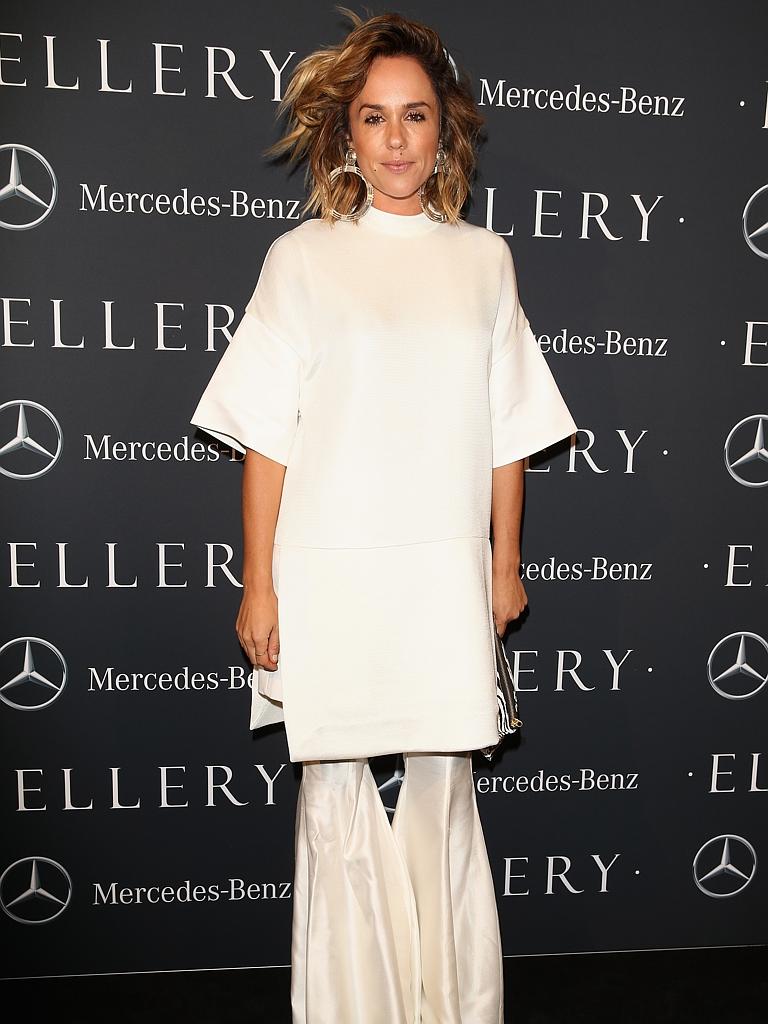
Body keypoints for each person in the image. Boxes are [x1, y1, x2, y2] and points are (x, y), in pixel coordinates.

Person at [190, 8, 577, 1023]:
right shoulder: (301, 258)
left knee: (446, 796)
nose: (398, 138)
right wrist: (260, 582)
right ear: (344, 134)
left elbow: (508, 434)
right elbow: (266, 437)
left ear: (444, 129)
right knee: (333, 801)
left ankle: (451, 1005)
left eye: (415, 115)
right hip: (332, 573)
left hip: (443, 573)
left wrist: (505, 566)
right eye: (375, 117)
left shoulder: (485, 260)